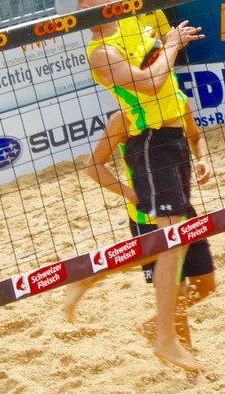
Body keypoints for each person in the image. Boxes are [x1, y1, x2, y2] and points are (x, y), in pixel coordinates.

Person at [55, 0, 206, 372]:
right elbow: (147, 84)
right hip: (146, 145)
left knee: (190, 261)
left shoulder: (130, 12)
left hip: (173, 138)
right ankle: (164, 338)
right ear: (83, 7)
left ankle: (154, 325)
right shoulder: (101, 53)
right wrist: (172, 44)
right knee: (170, 239)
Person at [63, 107, 216, 346]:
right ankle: (191, 368)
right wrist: (132, 194)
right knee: (178, 290)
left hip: (181, 207)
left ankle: (154, 322)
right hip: (148, 217)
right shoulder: (123, 118)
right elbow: (94, 166)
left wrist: (203, 159)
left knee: (206, 285)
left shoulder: (175, 100)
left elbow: (196, 138)